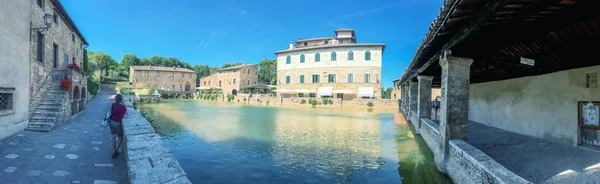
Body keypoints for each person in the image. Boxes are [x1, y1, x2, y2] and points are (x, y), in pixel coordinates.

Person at [108, 94, 127, 159]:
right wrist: (123, 104)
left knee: (113, 137)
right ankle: (115, 151)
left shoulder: (113, 105)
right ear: (121, 99)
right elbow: (126, 113)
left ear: (115, 99)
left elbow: (111, 111)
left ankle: (114, 150)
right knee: (120, 138)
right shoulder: (123, 106)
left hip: (111, 122)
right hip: (117, 123)